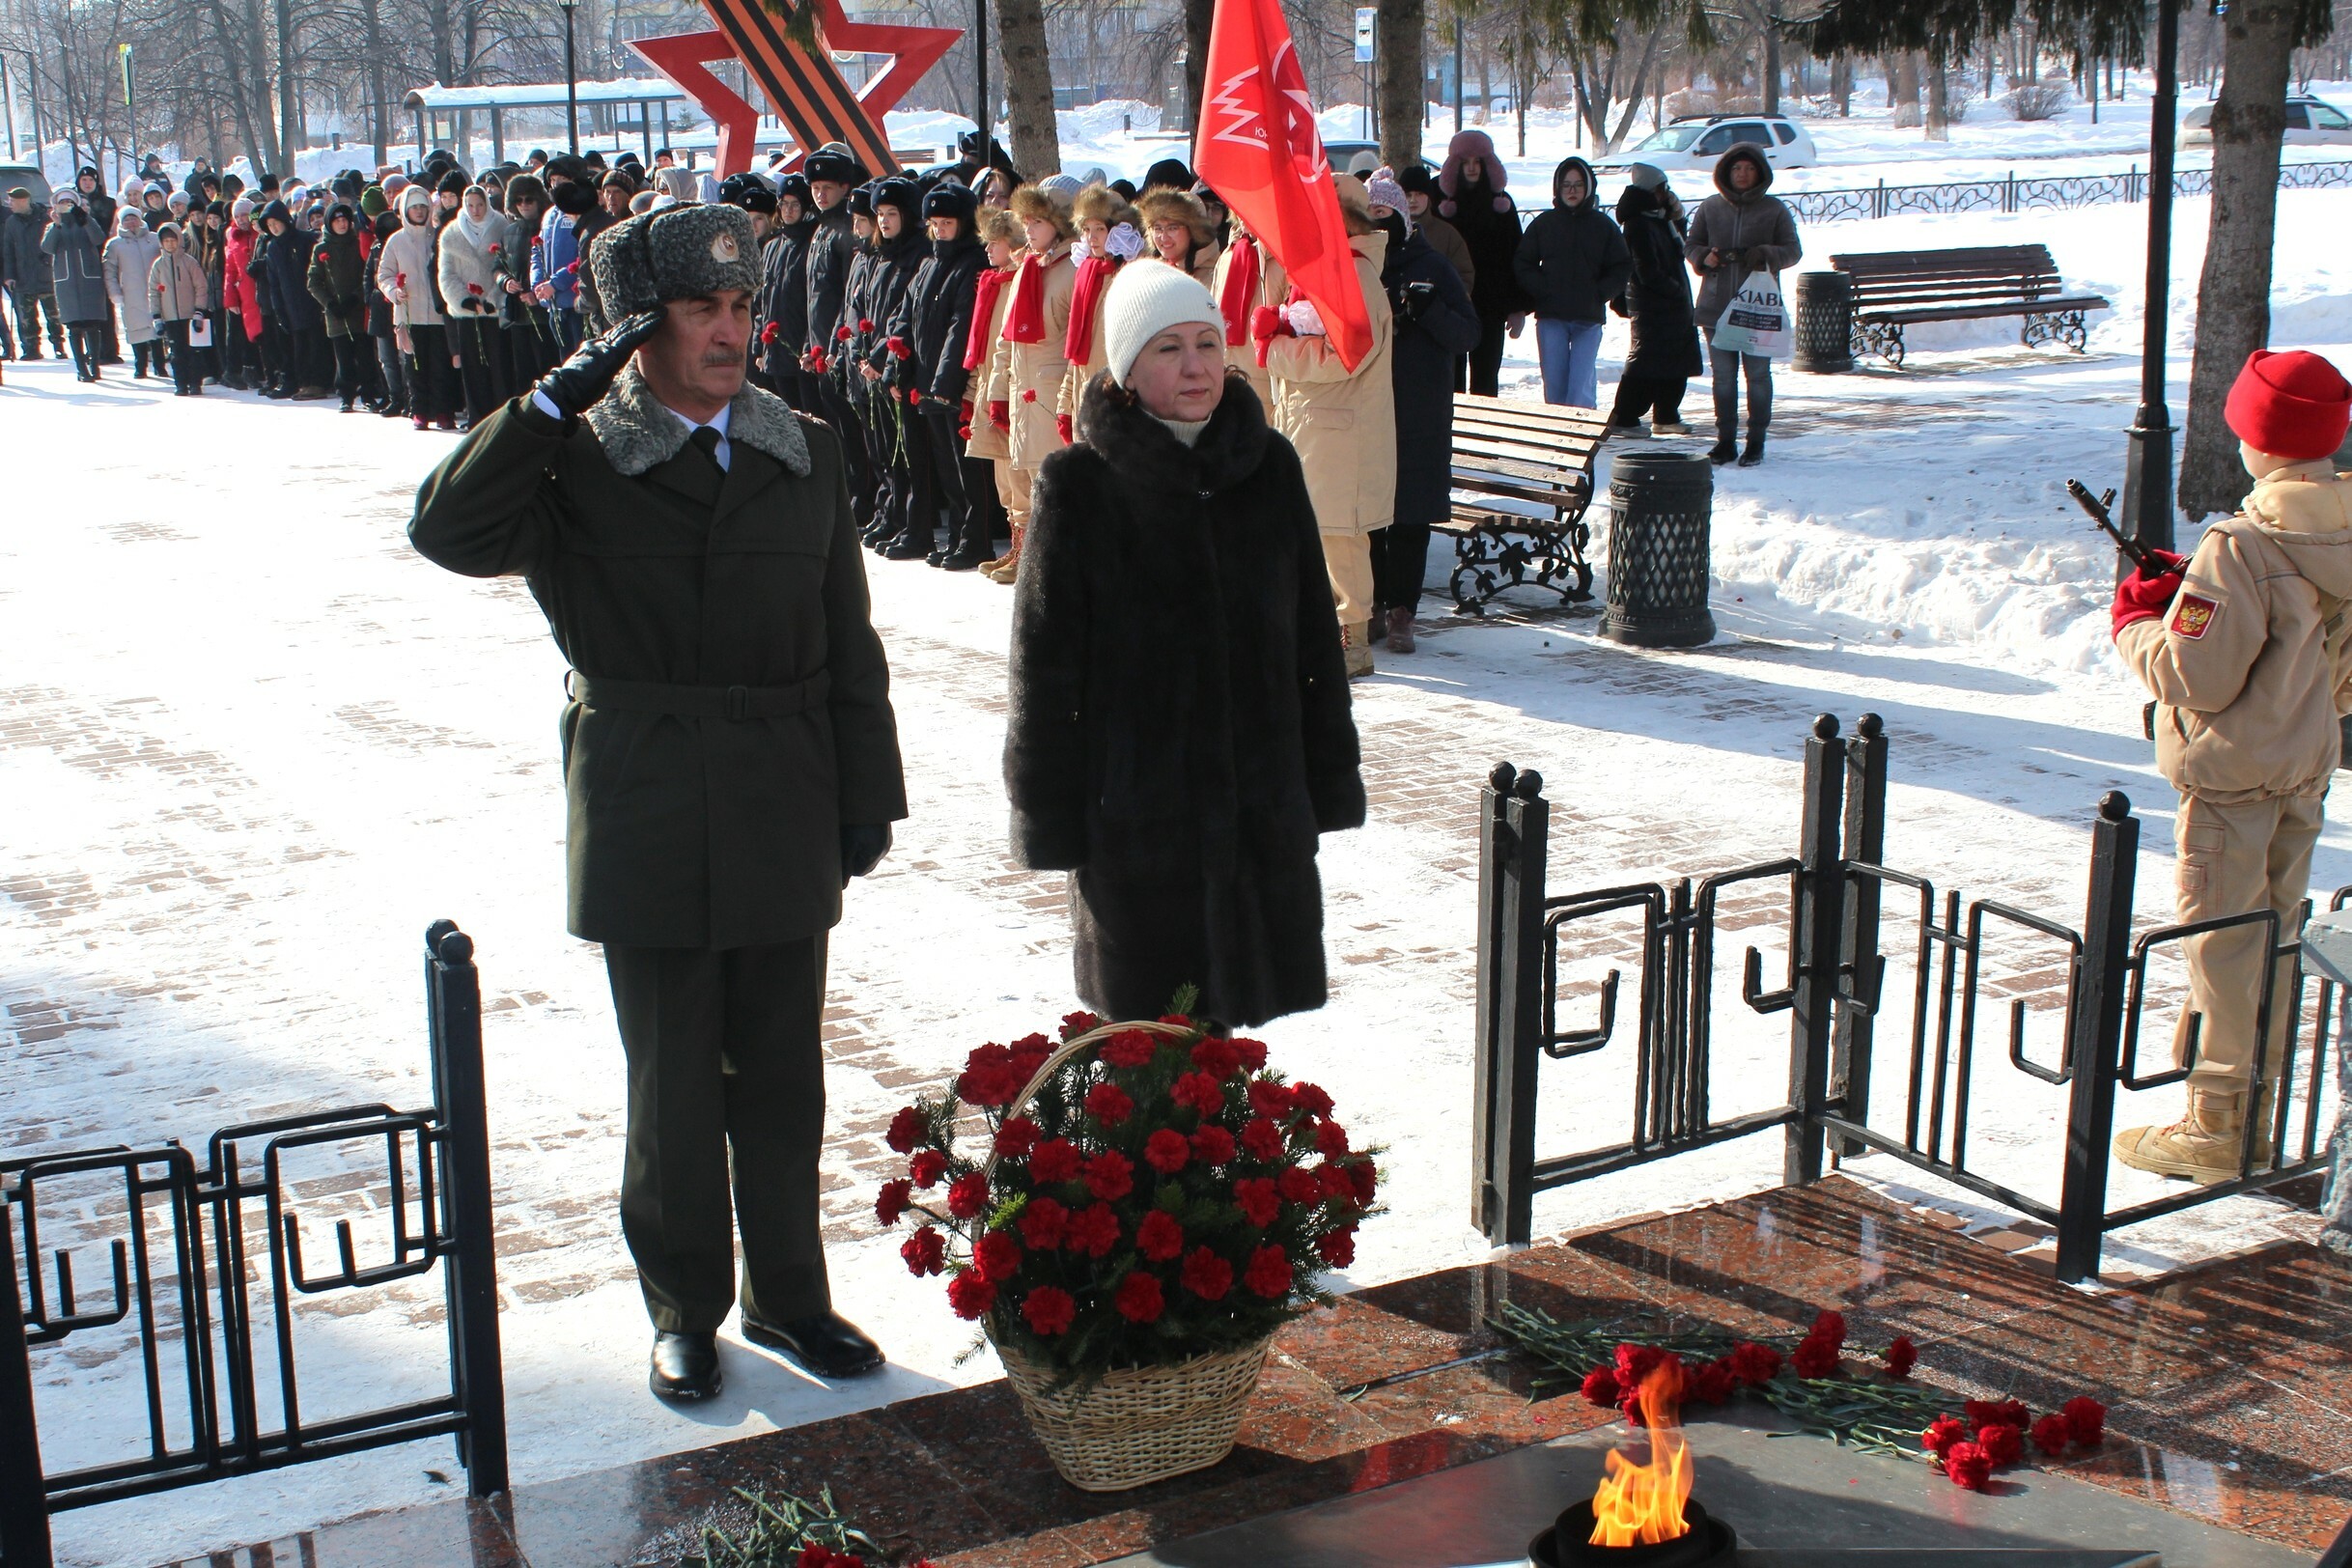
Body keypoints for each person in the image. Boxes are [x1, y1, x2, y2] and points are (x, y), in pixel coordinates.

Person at [409, 201, 907, 1405]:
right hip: (646, 794)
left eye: (740, 306)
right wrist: (546, 399)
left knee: (784, 1074)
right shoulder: (580, 458)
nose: (730, 330)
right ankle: (685, 1305)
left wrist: (866, 788)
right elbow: (445, 528)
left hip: (785, 791)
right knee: (673, 1080)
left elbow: (849, 635)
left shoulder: (803, 447)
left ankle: (793, 1296)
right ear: (637, 330)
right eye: (700, 310)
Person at [1005, 261, 1365, 1027]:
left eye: (1208, 341)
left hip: (1260, 805)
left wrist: (1327, 779)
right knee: (1148, 1048)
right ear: (1127, 369)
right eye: (1169, 348)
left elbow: (1312, 643)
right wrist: (1052, 812)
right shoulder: (1082, 485)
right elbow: (1045, 667)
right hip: (1138, 819)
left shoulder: (1268, 467)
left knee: (1235, 1059)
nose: (1196, 364)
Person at [2109, 350, 2352, 1185]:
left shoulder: (2242, 545)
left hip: (2232, 773)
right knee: (2275, 936)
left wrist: (2140, 622)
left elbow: (2196, 676)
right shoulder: (2343, 526)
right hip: (2305, 763)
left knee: (2220, 942)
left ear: (2259, 439)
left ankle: (2216, 1123)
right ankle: (2256, 1108)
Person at [1258, 174, 1396, 680]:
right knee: (1318, 533)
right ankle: (1327, 632)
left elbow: (1345, 357)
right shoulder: (1328, 273)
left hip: (1341, 431)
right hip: (1318, 426)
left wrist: (1275, 348)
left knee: (1341, 536)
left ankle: (1352, 640)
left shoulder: (1352, 276)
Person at [1368, 173, 1479, 656]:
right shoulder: (1354, 267)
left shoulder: (1432, 264)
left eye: (1386, 214)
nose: (1379, 224)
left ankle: (1402, 612)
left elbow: (1468, 335)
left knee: (1410, 517)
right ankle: (1368, 603)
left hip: (1420, 412)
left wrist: (1428, 310)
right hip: (1367, 409)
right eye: (1368, 215)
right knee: (1368, 514)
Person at [889, 179, 987, 569]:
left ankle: (975, 538)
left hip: (952, 383)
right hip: (927, 380)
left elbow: (960, 325)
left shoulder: (970, 263)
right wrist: (899, 363)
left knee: (967, 467)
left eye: (948, 223)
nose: (941, 230)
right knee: (946, 464)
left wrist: (946, 383)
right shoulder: (928, 262)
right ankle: (958, 536)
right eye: (936, 224)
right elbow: (906, 314)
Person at [1686, 143, 1800, 467]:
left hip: (1758, 311)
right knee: (1723, 378)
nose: (1742, 175)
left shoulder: (1774, 210)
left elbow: (1793, 250)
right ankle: (1725, 441)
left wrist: (1766, 253)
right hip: (1716, 307)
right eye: (1736, 169)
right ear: (1725, 172)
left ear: (1760, 172)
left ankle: (1756, 441)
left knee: (1758, 377)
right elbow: (1692, 244)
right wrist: (1702, 257)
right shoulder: (1710, 208)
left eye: (1749, 169)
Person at [992, 182, 1078, 585]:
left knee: (1054, 480)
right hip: (1020, 388)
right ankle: (1026, 551)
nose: (1028, 230)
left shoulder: (1072, 270)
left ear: (1059, 223)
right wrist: (996, 391)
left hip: (1050, 388)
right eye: (1026, 222)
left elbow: (1076, 340)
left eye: (1037, 221)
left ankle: (1053, 559)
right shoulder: (1027, 268)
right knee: (1020, 478)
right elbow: (1005, 339)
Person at [1513, 156, 1628, 410]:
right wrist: (1542, 290)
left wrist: (1600, 293)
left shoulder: (1603, 226)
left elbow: (1621, 266)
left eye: (1578, 184)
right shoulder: (1545, 224)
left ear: (1588, 188)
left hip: (1588, 317)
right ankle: (1557, 439)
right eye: (1566, 185)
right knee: (1554, 386)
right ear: (1558, 189)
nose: (1572, 191)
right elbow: (1523, 262)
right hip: (1551, 317)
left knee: (1581, 387)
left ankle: (1582, 440)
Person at [857, 178, 929, 558]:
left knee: (909, 452)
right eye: (880, 214)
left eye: (891, 214)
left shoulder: (918, 254)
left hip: (901, 367)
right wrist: (863, 355)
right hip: (875, 367)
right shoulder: (878, 256)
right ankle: (896, 516)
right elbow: (866, 310)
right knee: (887, 449)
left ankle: (916, 526)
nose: (883, 222)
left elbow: (906, 315)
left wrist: (885, 358)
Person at [1605, 164, 1701, 438]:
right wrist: (1673, 290)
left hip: (1669, 304)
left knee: (1674, 360)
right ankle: (1625, 415)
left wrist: (1677, 218)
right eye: (1663, 190)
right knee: (1646, 362)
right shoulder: (1638, 223)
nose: (1666, 194)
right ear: (1652, 192)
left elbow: (1677, 248)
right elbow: (1646, 269)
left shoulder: (1658, 219)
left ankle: (1667, 414)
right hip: (1654, 305)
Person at [1436, 129, 1525, 396]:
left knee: (1486, 380)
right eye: (1466, 162)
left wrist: (1517, 307)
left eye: (1478, 161)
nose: (1472, 168)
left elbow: (1515, 255)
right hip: (1452, 303)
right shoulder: (1441, 205)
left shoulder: (1502, 205)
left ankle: (1485, 434)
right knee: (1450, 381)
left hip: (1491, 305)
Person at [964, 208, 1024, 573]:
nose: (988, 248)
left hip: (1011, 385)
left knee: (1018, 473)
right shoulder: (995, 282)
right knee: (1003, 472)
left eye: (996, 241)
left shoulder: (1016, 282)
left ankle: (1027, 552)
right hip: (991, 381)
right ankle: (1017, 545)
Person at [1057, 185, 1140, 434]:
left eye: (1100, 229)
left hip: (1115, 396)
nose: (1092, 238)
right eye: (1086, 230)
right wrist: (1065, 402)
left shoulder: (1130, 276)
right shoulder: (1087, 275)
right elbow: (1076, 350)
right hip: (1084, 391)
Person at [380, 184, 458, 430]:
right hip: (409, 312)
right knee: (415, 364)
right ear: (405, 210)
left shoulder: (438, 236)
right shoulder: (396, 241)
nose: (419, 211)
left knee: (440, 364)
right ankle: (420, 410)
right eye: (414, 207)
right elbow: (384, 274)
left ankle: (444, 410)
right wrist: (394, 291)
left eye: (423, 207)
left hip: (437, 313)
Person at [438, 183, 513, 426]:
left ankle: (501, 416)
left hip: (494, 310)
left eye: (480, 204)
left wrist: (493, 299)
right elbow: (446, 274)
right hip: (467, 312)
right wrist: (465, 300)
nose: (476, 210)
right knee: (472, 367)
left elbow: (507, 267)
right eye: (470, 205)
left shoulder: (501, 226)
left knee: (499, 364)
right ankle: (477, 417)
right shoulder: (451, 233)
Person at [1210, 210, 1284, 414]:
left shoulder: (1283, 259)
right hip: (1226, 375)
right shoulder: (1228, 255)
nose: (1244, 215)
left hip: (1267, 383)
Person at [259, 199, 333, 399]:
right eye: (270, 225)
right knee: (298, 345)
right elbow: (274, 282)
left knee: (316, 343)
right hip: (289, 303)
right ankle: (302, 382)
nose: (274, 228)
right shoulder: (273, 248)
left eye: (276, 223)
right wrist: (279, 309)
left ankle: (318, 383)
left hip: (311, 299)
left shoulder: (304, 240)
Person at [307, 204, 372, 410]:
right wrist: (330, 303)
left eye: (345, 220)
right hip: (336, 315)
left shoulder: (357, 243)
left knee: (365, 356)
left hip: (358, 310)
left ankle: (369, 393)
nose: (342, 224)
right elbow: (313, 282)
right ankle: (346, 395)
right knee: (343, 358)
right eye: (337, 221)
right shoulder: (321, 248)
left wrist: (356, 297)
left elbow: (367, 275)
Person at [42, 191, 110, 382]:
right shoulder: (54, 226)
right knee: (74, 327)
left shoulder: (86, 221)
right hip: (67, 283)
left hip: (89, 280)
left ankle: (94, 365)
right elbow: (47, 248)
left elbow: (98, 238)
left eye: (69, 202)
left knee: (92, 324)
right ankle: (81, 368)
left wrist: (86, 218)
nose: (66, 206)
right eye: (62, 203)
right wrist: (56, 225)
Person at [150, 222, 210, 396]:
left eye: (173, 240)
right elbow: (154, 292)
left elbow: (201, 286)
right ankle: (181, 383)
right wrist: (157, 316)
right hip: (170, 317)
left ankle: (195, 382)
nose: (170, 244)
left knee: (193, 351)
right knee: (176, 352)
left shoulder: (188, 262)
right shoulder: (158, 265)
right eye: (166, 241)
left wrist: (199, 310)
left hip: (190, 315)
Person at [102, 208, 164, 379]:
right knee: (136, 329)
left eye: (134, 219)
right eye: (127, 220)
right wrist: (115, 293)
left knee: (156, 328)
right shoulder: (115, 244)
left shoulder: (153, 238)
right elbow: (110, 271)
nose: (131, 223)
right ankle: (140, 365)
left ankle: (160, 365)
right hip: (131, 293)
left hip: (155, 291)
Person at [1396, 165, 1472, 295]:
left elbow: (1464, 276)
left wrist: (1446, 305)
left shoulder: (1447, 234)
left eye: (1419, 194)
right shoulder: (1391, 233)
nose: (1413, 200)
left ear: (1429, 197)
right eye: (1408, 194)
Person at [1135, 186, 1220, 290]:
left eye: (1172, 228)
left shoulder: (1215, 277)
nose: (1164, 237)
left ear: (1193, 231)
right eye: (1157, 228)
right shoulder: (1150, 274)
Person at [219, 199, 263, 390]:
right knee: (237, 333)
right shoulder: (233, 237)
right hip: (241, 292)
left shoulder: (259, 234)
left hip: (260, 291)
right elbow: (230, 269)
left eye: (244, 215)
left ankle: (256, 370)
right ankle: (234, 371)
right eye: (237, 217)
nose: (241, 219)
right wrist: (230, 298)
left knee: (257, 332)